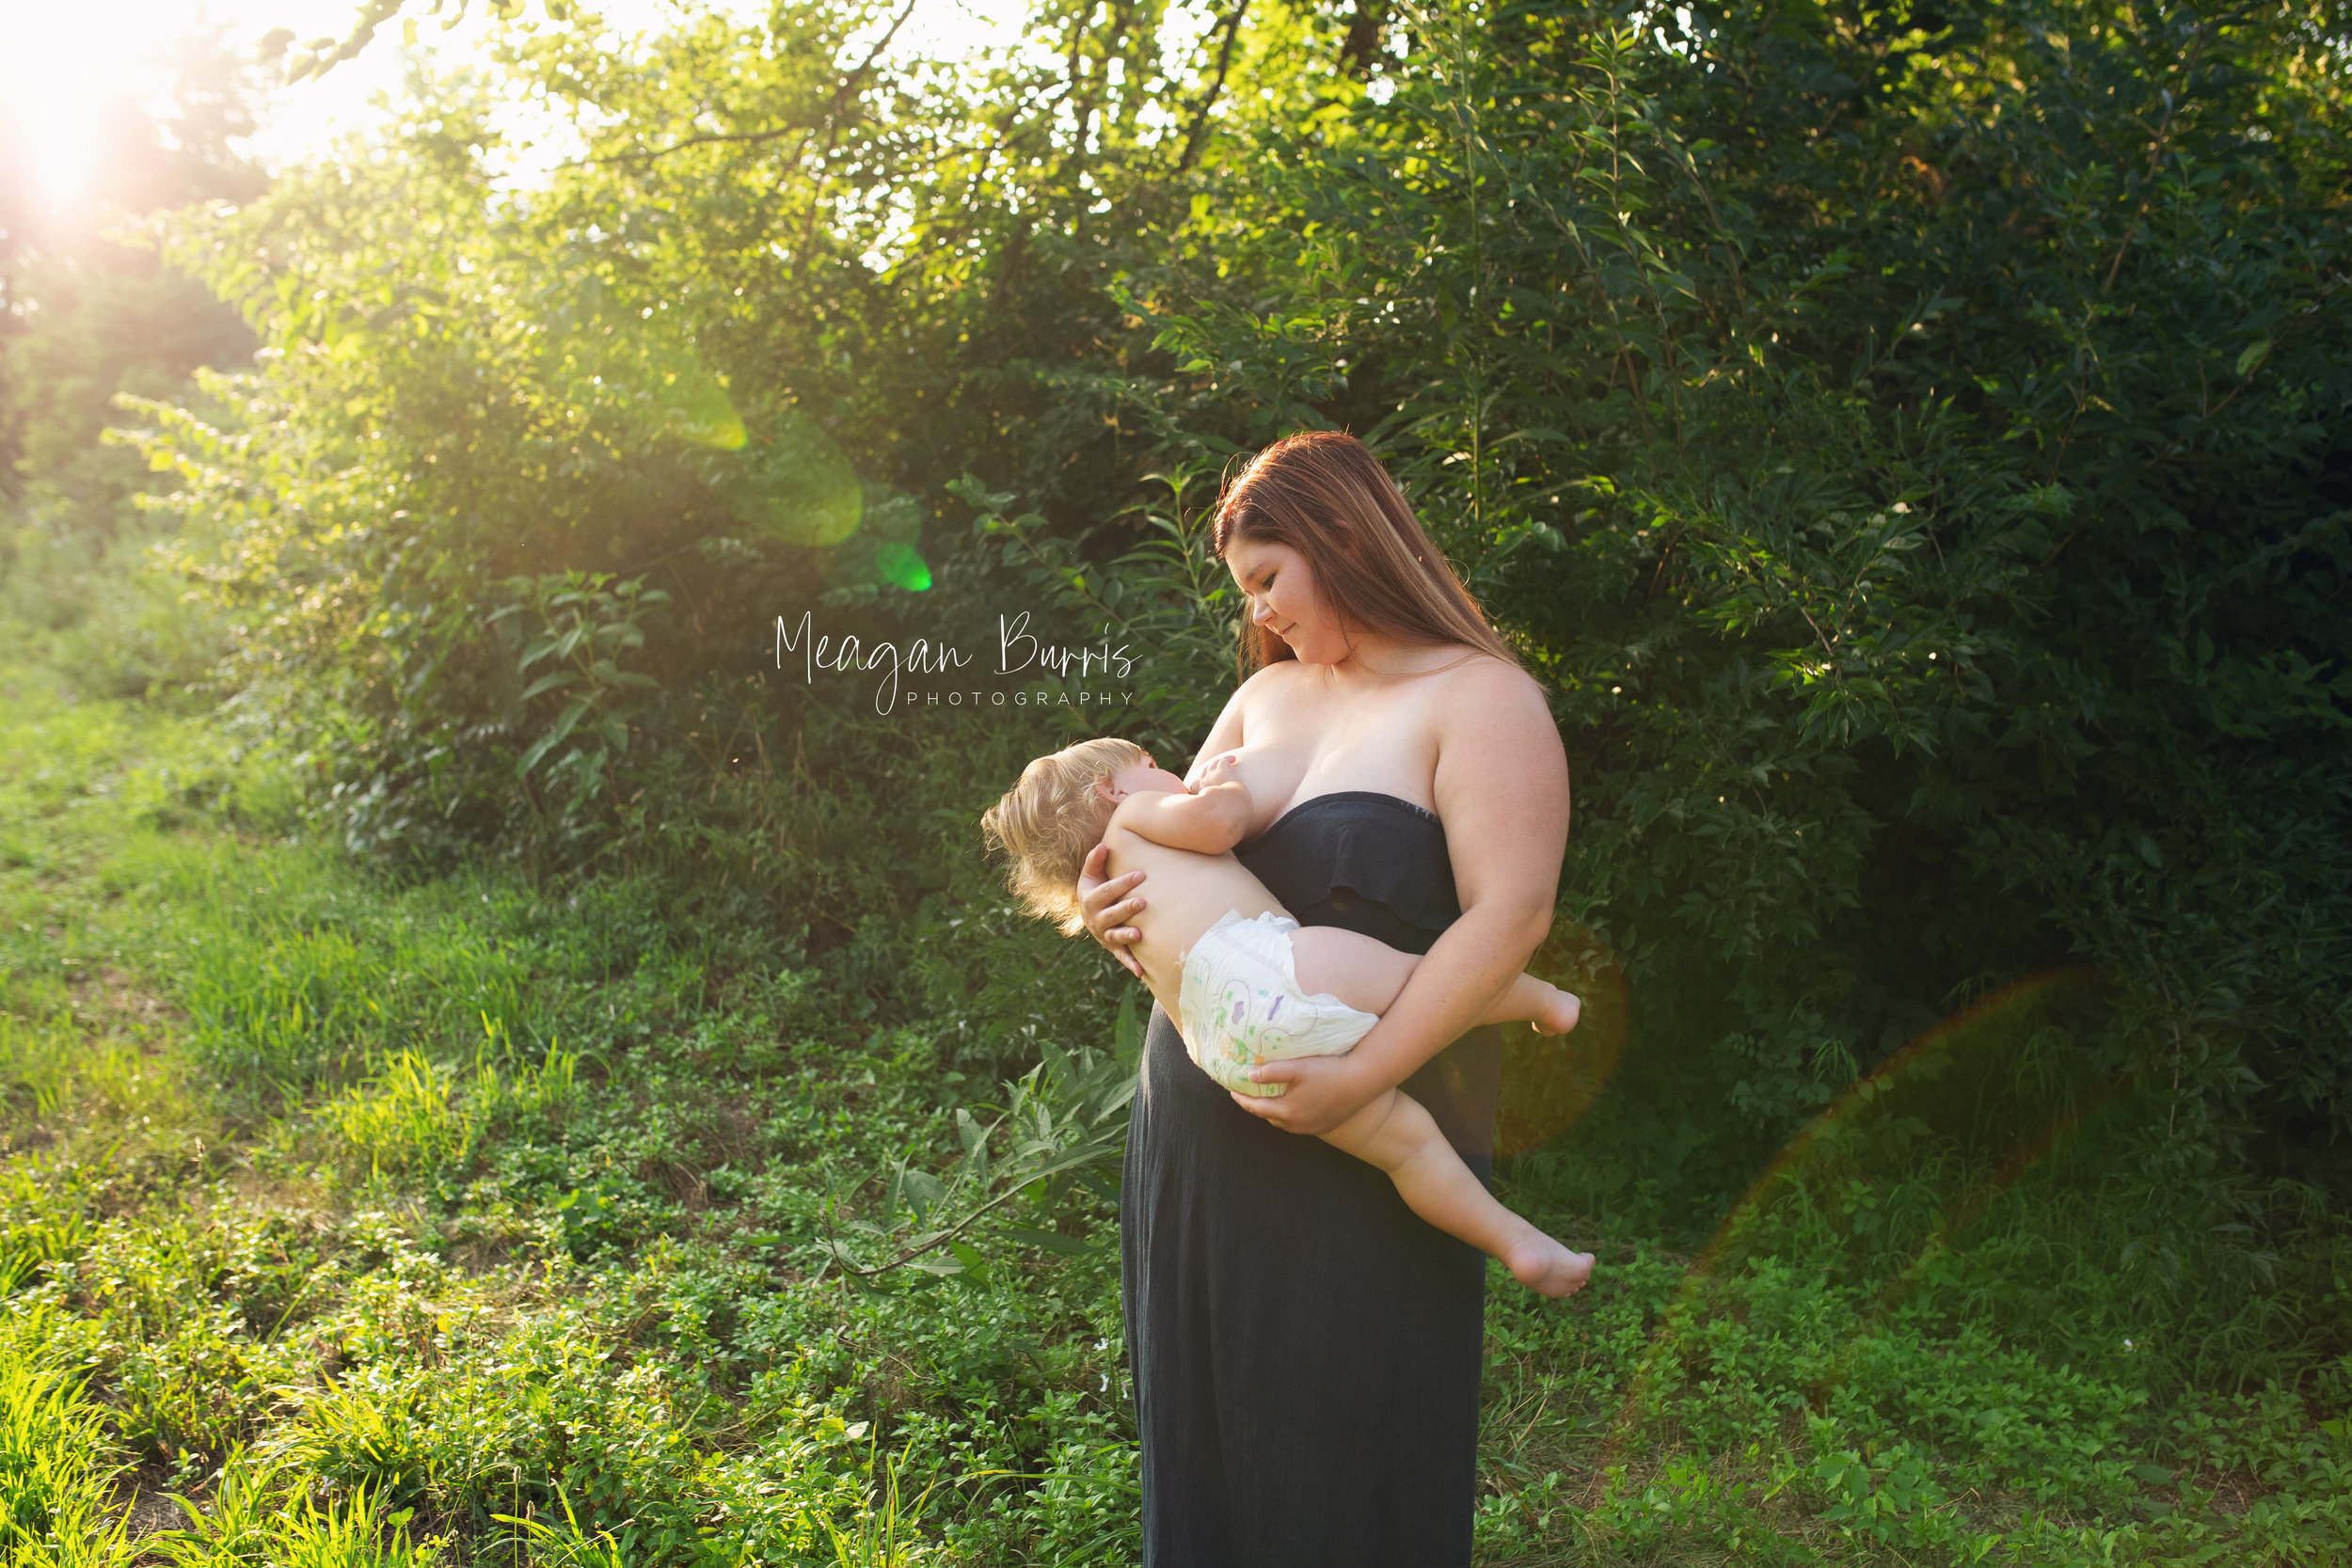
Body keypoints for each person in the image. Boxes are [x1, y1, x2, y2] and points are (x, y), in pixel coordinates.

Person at [1077, 430, 1573, 1567]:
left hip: (1369, 1144)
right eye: (1246, 588)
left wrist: (1363, 1069)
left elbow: (1511, 920)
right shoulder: (1265, 697)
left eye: (1268, 577)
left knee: (1341, 1476)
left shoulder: (1485, 701)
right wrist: (1112, 917)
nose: (1262, 609)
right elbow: (1179, 867)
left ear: (1343, 536)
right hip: (1197, 1138)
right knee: (1205, 1468)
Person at [981, 736, 1595, 1295]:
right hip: (1269, 969)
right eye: (1152, 766)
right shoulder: (1135, 818)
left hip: (1231, 1054)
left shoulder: (1109, 898)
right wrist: (1223, 783)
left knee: (1408, 1149)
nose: (1172, 773)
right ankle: (1546, 1001)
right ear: (1110, 790)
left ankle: (1520, 1245)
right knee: (1425, 979)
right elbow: (1221, 825)